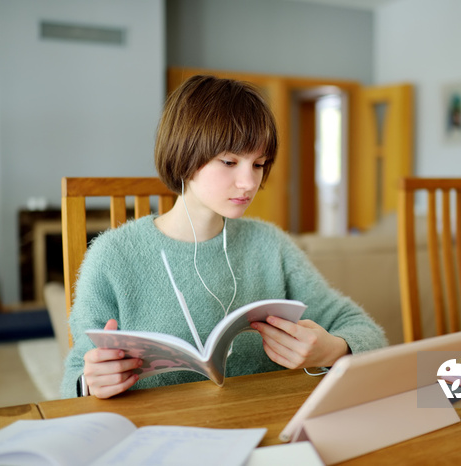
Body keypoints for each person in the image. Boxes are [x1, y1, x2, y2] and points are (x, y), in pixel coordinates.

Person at [61, 75, 387, 399]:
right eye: (229, 162)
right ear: (184, 155)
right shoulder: (113, 256)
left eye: (259, 164)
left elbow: (367, 332)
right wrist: (90, 382)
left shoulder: (270, 245)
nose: (249, 183)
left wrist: (332, 350)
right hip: (159, 434)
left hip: (264, 427)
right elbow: (74, 378)